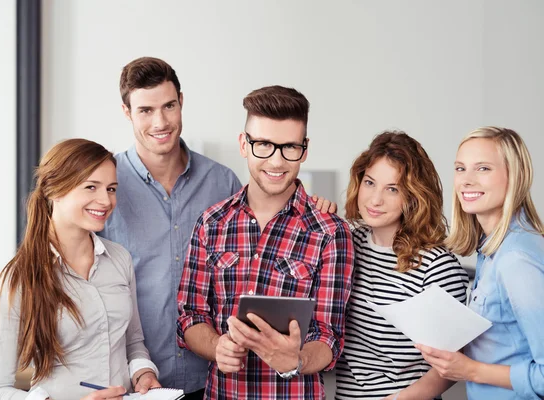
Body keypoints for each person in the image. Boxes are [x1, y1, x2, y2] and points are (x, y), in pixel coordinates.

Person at [100, 57, 335, 399]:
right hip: (132, 378)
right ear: (126, 112)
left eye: (168, 106)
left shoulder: (221, 181)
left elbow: (268, 203)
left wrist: (314, 210)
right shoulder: (105, 185)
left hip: (206, 380)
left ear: (182, 101)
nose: (160, 121)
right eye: (145, 110)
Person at [176, 85, 354, 399]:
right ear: (244, 144)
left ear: (305, 149)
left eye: (289, 147)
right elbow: (191, 316)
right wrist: (217, 347)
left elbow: (329, 335)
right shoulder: (211, 224)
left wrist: (296, 360)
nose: (276, 161)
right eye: (264, 145)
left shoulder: (330, 232)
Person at [0, 139, 161, 400]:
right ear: (54, 191)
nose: (106, 200)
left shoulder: (120, 259)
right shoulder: (19, 278)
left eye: (111, 189)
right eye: (91, 187)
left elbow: (133, 343)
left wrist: (143, 374)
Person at [335, 131, 469, 400]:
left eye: (392, 189)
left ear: (413, 197)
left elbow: (453, 362)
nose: (375, 200)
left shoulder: (437, 265)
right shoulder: (346, 244)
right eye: (370, 183)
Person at [417, 127, 544, 400]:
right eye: (460, 169)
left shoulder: (515, 259)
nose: (466, 181)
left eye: (483, 168)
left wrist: (470, 370)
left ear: (515, 176)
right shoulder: (492, 248)